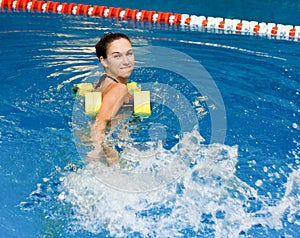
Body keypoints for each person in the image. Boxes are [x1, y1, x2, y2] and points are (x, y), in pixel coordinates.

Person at [87, 32, 135, 166]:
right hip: (108, 152)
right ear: (104, 61)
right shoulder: (120, 89)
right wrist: (96, 152)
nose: (126, 61)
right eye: (117, 56)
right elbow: (101, 122)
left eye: (129, 54)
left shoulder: (101, 82)